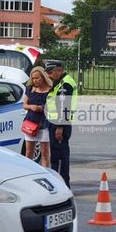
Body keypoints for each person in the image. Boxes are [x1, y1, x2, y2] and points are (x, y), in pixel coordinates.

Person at [45, 60, 77, 188]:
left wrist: (59, 127)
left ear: (59, 70)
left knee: (61, 157)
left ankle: (63, 185)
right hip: (55, 122)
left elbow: (64, 107)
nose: (48, 75)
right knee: (56, 155)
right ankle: (59, 184)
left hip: (60, 124)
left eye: (50, 72)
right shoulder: (58, 83)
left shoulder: (65, 84)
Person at [23, 66, 52, 167]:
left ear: (43, 77)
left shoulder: (50, 90)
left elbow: (53, 106)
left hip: (44, 123)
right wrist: (31, 106)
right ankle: (28, 173)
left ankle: (46, 174)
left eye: (37, 78)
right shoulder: (30, 88)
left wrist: (42, 108)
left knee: (45, 153)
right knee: (28, 153)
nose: (35, 80)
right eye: (33, 78)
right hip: (30, 123)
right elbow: (24, 105)